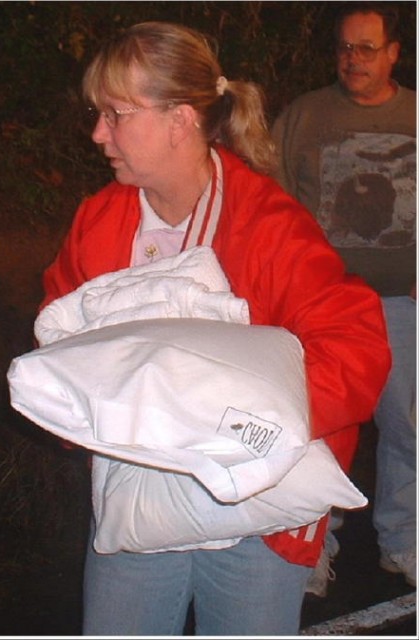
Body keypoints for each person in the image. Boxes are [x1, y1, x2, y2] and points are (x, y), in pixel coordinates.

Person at [39, 21, 390, 636]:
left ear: (180, 119)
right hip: (137, 504)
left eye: (116, 114)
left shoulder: (269, 227)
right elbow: (62, 342)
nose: (98, 133)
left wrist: (237, 420)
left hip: (256, 518)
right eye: (99, 113)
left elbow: (356, 349)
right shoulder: (99, 222)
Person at [272, 2, 416, 597]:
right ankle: (313, 551)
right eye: (344, 48)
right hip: (325, 307)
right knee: (321, 427)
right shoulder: (305, 116)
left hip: (402, 305)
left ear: (393, 53)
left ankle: (405, 544)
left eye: (366, 48)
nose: (352, 60)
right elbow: (269, 204)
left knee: (410, 428)